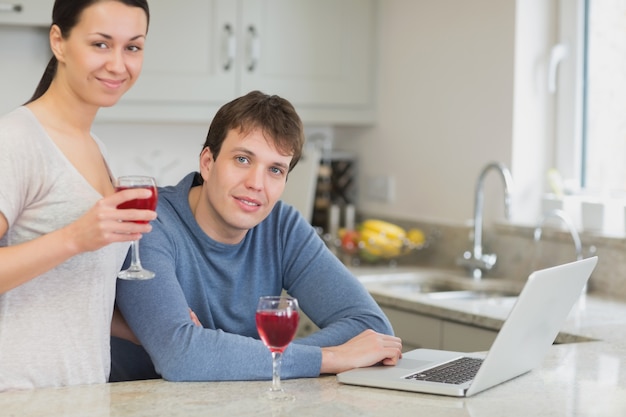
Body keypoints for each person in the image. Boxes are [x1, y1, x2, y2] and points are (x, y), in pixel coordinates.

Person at [111, 90, 402, 382]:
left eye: (275, 170)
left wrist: (233, 357)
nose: (256, 184)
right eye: (242, 159)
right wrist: (332, 358)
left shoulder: (282, 227)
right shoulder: (149, 223)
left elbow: (373, 330)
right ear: (208, 163)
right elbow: (181, 356)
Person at [0, 0, 154, 391]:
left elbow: (73, 292)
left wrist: (146, 325)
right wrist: (74, 238)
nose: (118, 64)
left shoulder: (99, 151)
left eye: (132, 47)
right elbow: (71, 246)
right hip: (19, 394)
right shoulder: (16, 140)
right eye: (101, 44)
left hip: (83, 393)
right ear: (59, 42)